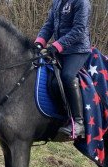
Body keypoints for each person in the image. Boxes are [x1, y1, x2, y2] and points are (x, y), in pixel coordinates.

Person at [35, 0, 92, 138]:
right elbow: (49, 25)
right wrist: (39, 43)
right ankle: (59, 117)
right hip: (60, 50)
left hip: (78, 50)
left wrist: (57, 45)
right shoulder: (57, 2)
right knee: (51, 79)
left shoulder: (81, 2)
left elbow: (79, 29)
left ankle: (79, 124)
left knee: (67, 76)